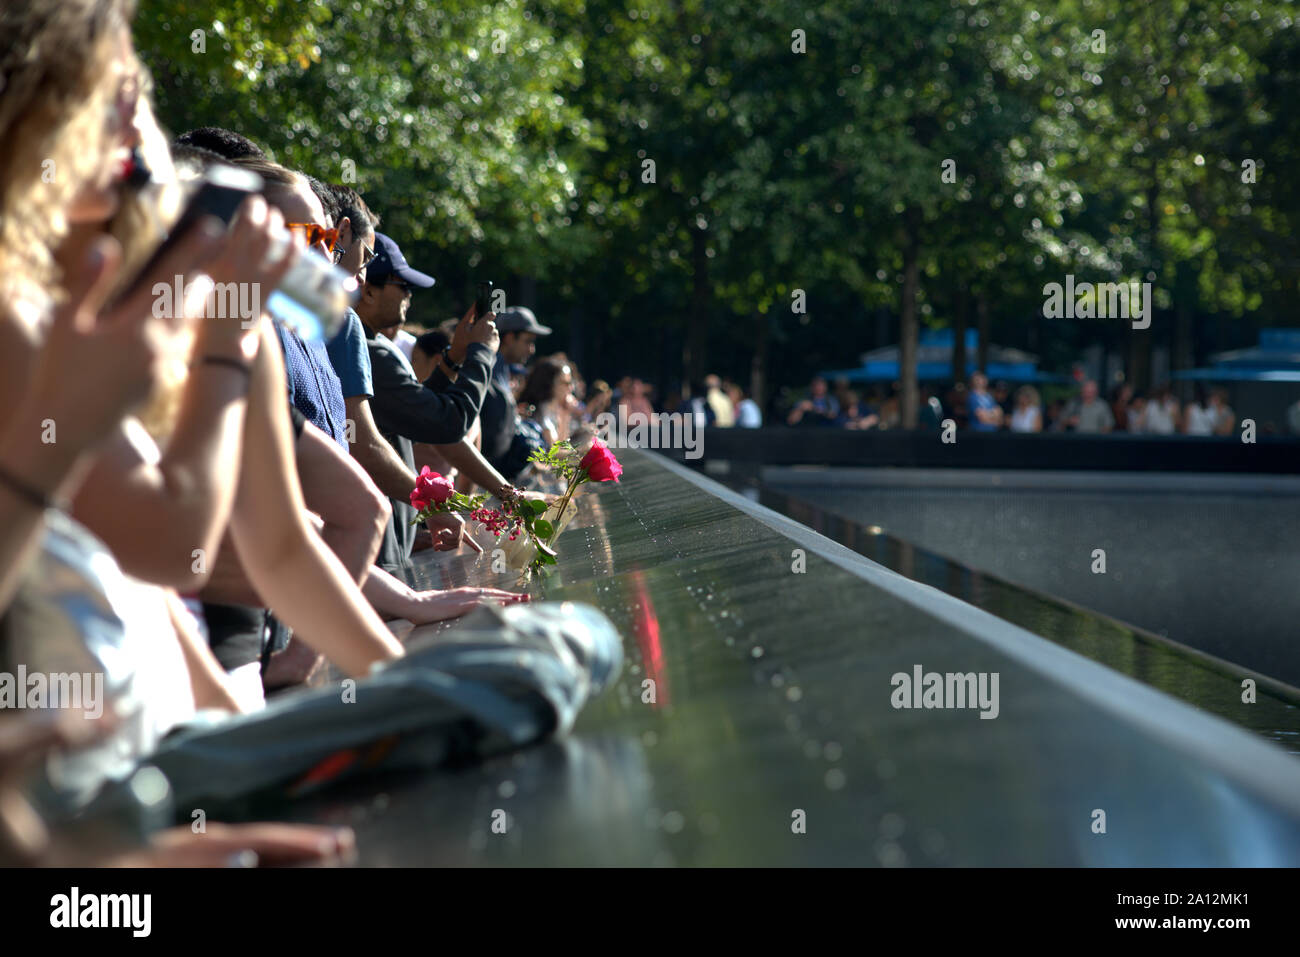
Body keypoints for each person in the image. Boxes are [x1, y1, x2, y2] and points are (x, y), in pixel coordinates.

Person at [480, 307, 552, 480]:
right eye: (528, 341)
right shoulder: (490, 368)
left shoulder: (500, 367)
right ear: (510, 338)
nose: (532, 349)